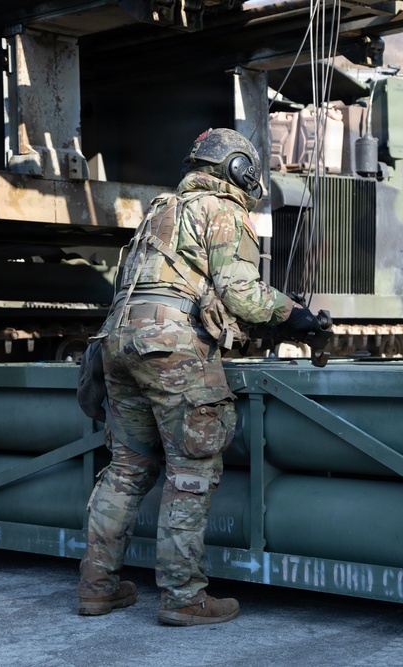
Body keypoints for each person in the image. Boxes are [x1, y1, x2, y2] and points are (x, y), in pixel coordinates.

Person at [77, 128, 324, 625]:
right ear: (239, 170)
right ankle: (184, 598)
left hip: (118, 345)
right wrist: (297, 315)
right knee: (191, 470)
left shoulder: (158, 213)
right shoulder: (221, 211)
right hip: (172, 348)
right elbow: (244, 296)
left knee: (125, 471)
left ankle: (96, 588)